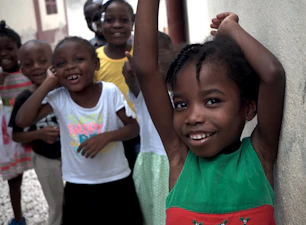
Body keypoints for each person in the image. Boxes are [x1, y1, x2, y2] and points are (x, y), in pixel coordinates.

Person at [130, 0, 286, 224]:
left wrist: (230, 29)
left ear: (249, 108)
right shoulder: (180, 159)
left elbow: (271, 74)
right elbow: (145, 69)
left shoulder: (259, 157)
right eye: (181, 104)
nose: (193, 117)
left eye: (212, 101)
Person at [15, 36, 143, 224]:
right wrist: (48, 84)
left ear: (96, 64)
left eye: (78, 59)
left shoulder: (110, 92)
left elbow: (133, 128)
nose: (70, 66)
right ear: (55, 71)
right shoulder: (58, 97)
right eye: (61, 63)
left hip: (117, 181)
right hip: (78, 184)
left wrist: (107, 137)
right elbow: (21, 120)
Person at [9, 40, 63, 225]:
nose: (37, 67)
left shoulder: (67, 89)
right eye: (29, 64)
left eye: (42, 60)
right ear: (22, 70)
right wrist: (38, 135)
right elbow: (17, 135)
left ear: (55, 61)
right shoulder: (24, 98)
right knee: (57, 205)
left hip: (75, 158)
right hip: (46, 159)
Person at [123, 31, 173, 225]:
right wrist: (131, 77)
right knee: (149, 212)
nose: (154, 64)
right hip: (149, 161)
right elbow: (133, 84)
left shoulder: (182, 90)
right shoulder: (144, 91)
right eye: (148, 59)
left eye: (160, 56)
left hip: (173, 162)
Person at [95, 0, 140, 175]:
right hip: (110, 135)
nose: (116, 25)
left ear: (133, 23)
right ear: (100, 24)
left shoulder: (142, 54)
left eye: (123, 20)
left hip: (141, 133)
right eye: (110, 20)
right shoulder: (94, 59)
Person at [0, 20, 33, 225]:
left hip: (32, 123)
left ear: (19, 49)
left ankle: (60, 211)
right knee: (14, 178)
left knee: (46, 167)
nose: (4, 54)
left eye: (10, 48)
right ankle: (18, 218)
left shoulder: (28, 72)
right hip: (9, 130)